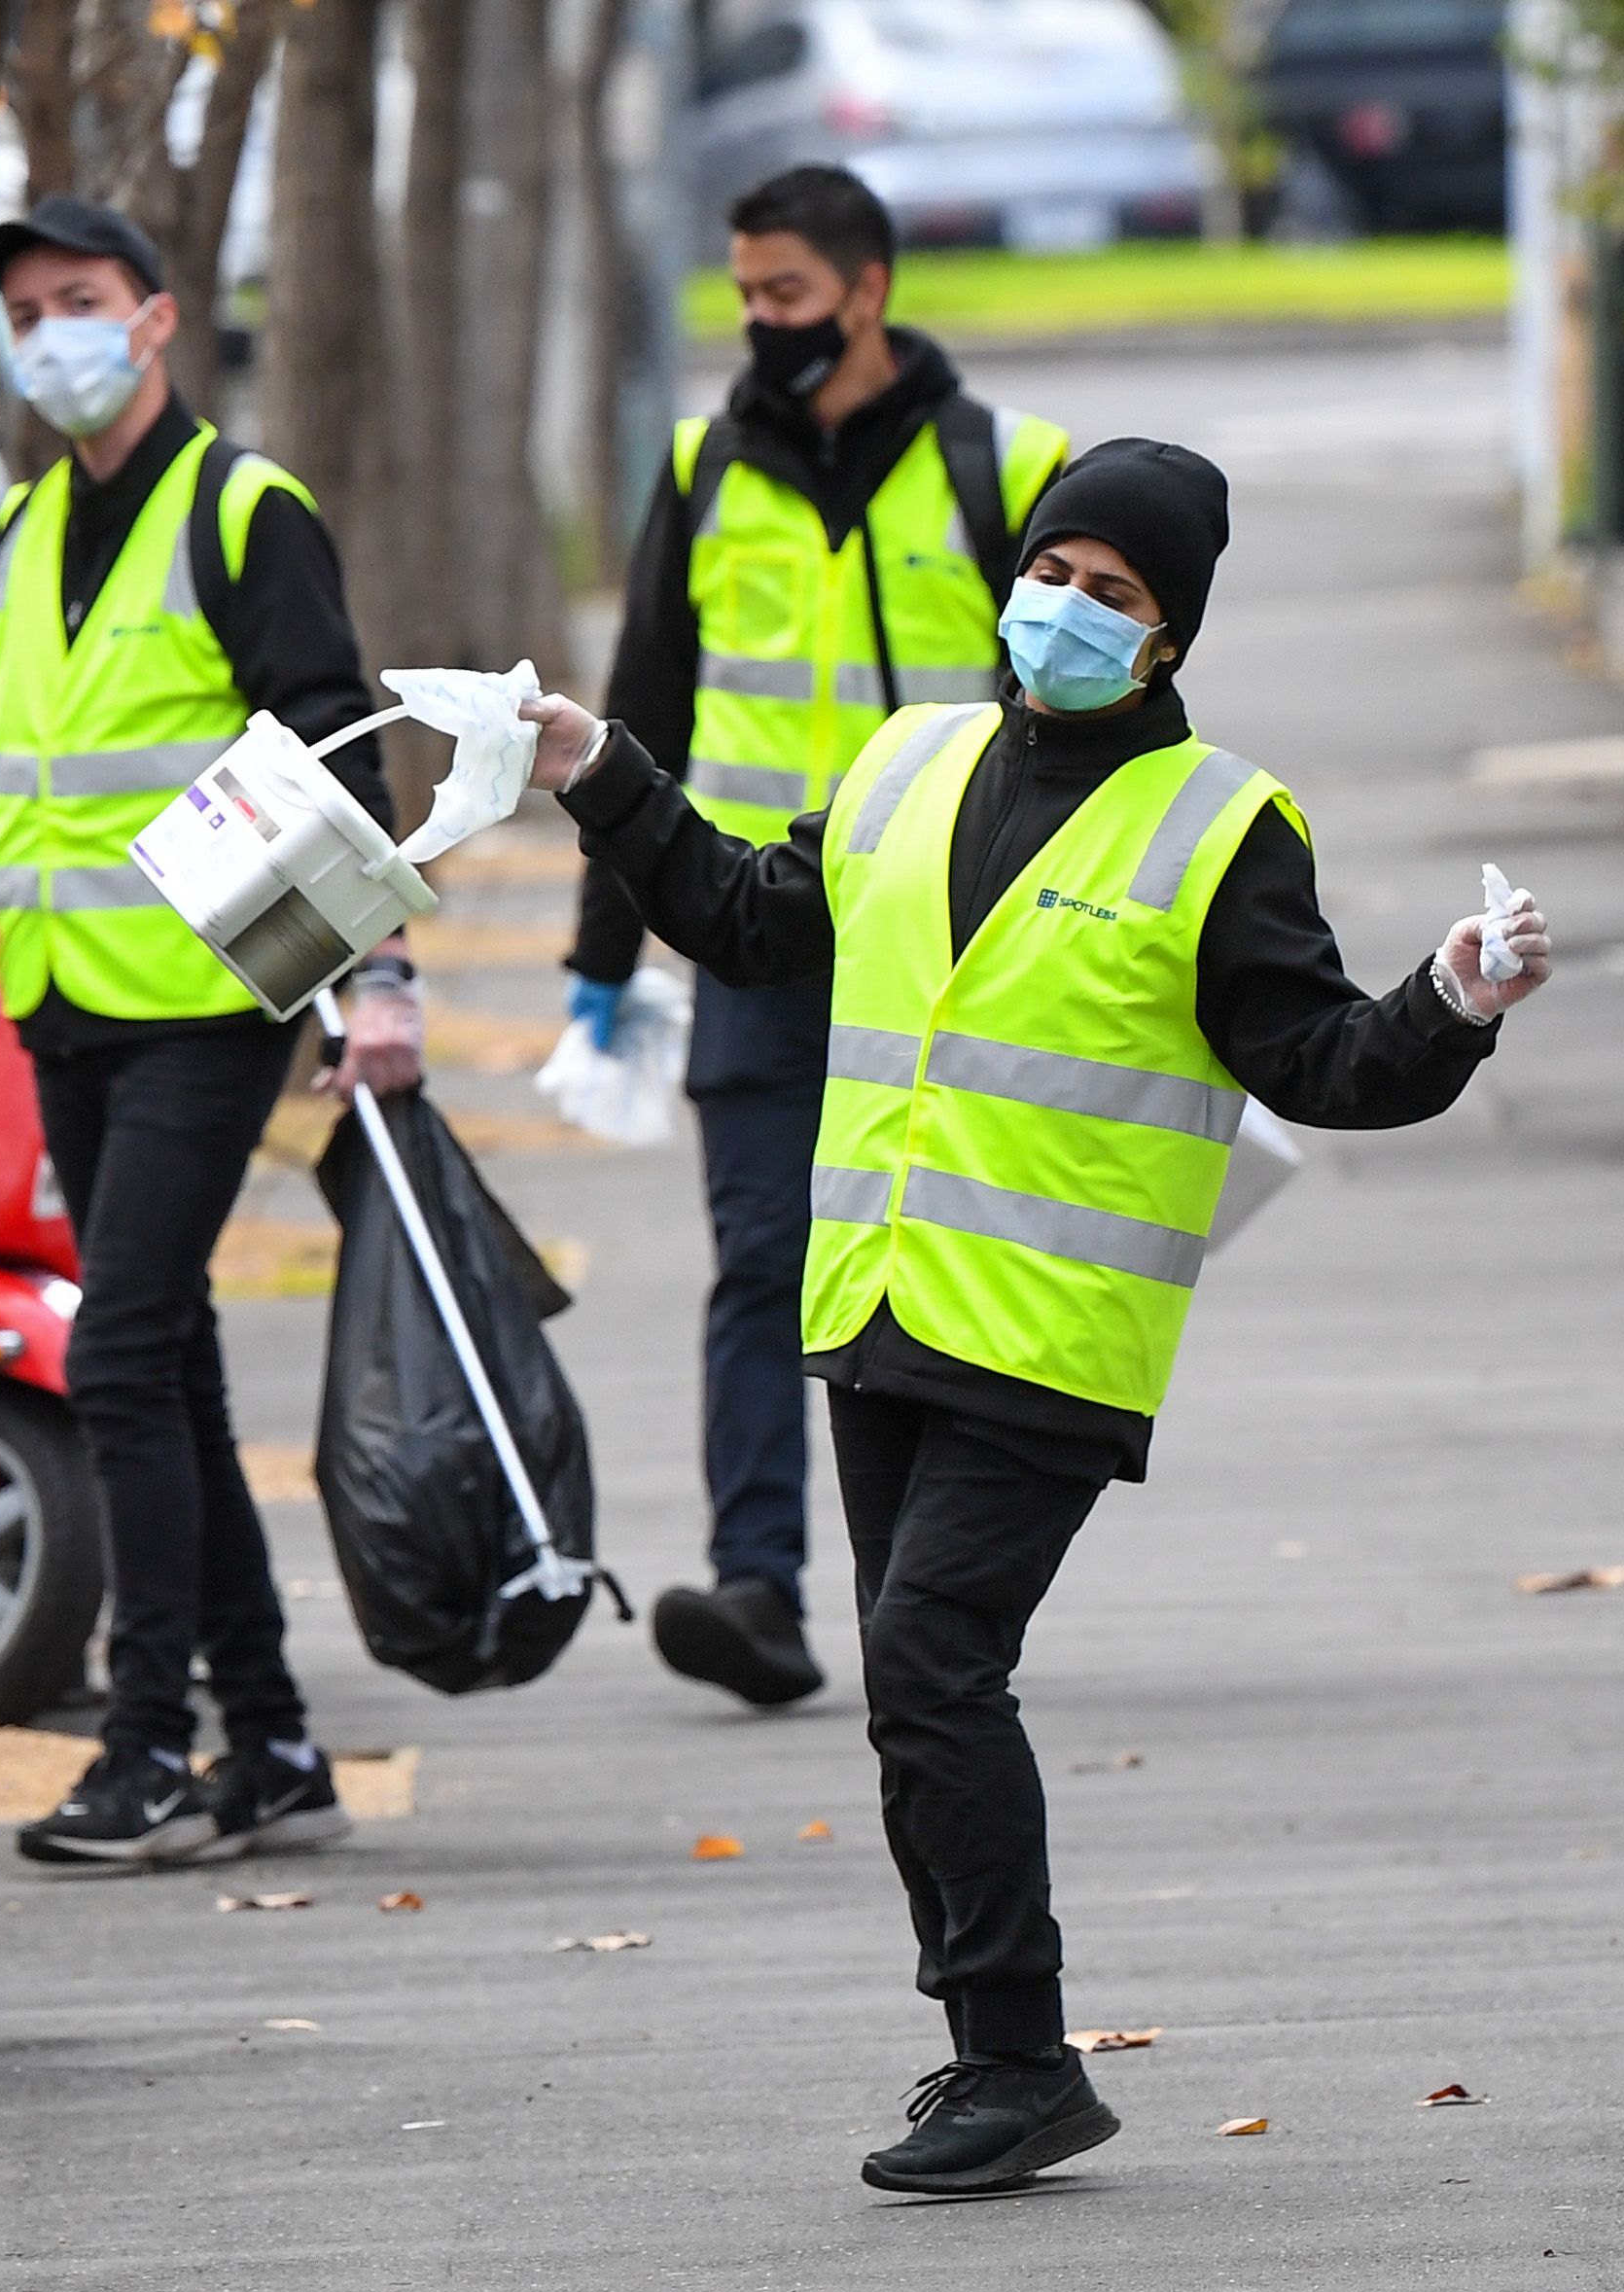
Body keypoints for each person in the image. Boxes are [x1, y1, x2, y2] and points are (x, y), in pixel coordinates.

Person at [524, 439, 1552, 2194]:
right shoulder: (906, 760)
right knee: (908, 1689)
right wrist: (600, 773)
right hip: (881, 1302)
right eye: (1051, 573)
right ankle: (985, 2053)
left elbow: (1316, 1060)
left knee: (933, 1661)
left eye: (1113, 593)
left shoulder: (1222, 825)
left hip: (1052, 1332)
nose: (1065, 609)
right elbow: (751, 923)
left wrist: (1447, 1004)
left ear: (1168, 639)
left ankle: (1019, 2060)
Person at [0, 194, 419, 1868]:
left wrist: (378, 981)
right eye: (26, 314)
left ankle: (149, 1740)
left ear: (158, 318)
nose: (52, 337)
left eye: (81, 301)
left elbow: (339, 750)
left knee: (115, 1349)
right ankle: (275, 1738)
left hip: (207, 1003)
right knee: (168, 1359)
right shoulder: (18, 530)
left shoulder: (243, 511)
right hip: (63, 1004)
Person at [567, 164, 1071, 1712]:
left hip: (948, 945)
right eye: (742, 294)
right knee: (761, 1260)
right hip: (755, 933)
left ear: (867, 289)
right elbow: (642, 711)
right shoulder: (703, 467)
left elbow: (1073, 718)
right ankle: (757, 1587)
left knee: (940, 1268)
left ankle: (922, 1584)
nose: (758, 321)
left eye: (784, 292)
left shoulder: (1004, 467)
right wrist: (602, 960)